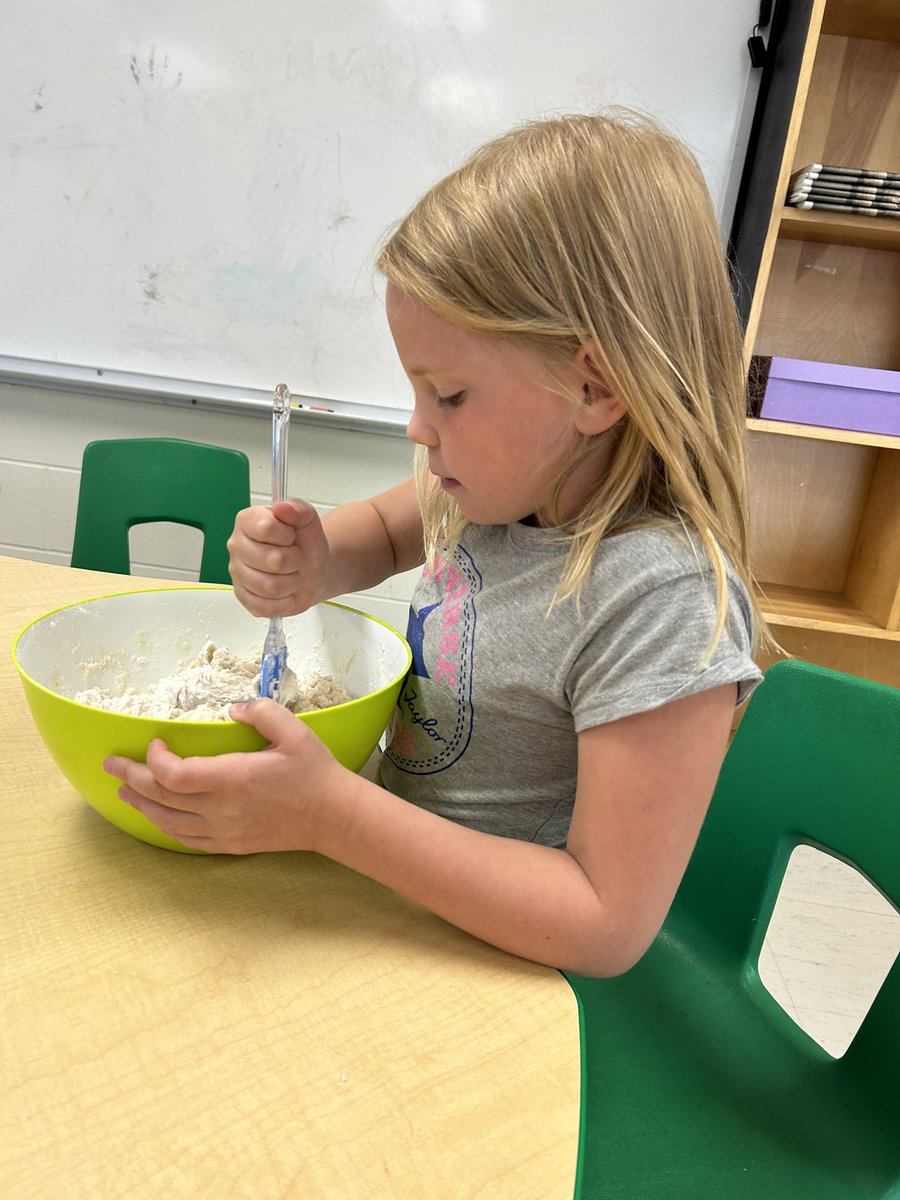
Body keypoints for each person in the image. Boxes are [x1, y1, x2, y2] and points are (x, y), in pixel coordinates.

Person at [104, 111, 765, 977]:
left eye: (449, 394)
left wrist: (333, 817)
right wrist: (304, 560)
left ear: (594, 386)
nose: (419, 429)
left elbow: (603, 924)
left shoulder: (661, 600)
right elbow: (377, 533)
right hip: (393, 903)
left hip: (510, 980)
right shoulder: (498, 491)